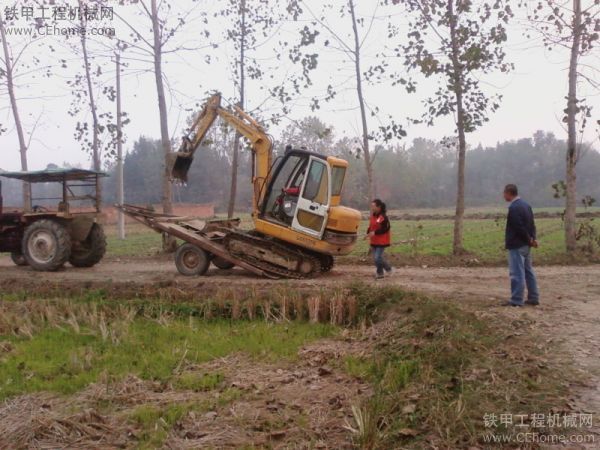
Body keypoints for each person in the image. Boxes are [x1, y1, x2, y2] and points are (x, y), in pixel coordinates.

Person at [502, 184, 540, 307]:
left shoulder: (513, 208)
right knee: (528, 271)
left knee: (516, 273)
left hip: (517, 245)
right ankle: (534, 297)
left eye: (504, 193)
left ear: (508, 193)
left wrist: (528, 239)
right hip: (526, 245)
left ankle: (517, 300)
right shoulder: (526, 205)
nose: (503, 196)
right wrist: (532, 239)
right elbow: (531, 224)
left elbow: (519, 227)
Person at [365, 199, 392, 279]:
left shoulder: (382, 217)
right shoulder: (373, 216)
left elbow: (386, 228)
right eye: (371, 206)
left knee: (377, 258)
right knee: (376, 259)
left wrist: (375, 233)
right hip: (374, 240)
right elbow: (371, 226)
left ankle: (384, 271)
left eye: (373, 206)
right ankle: (384, 271)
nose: (372, 207)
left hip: (382, 241)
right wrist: (368, 233)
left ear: (379, 207)